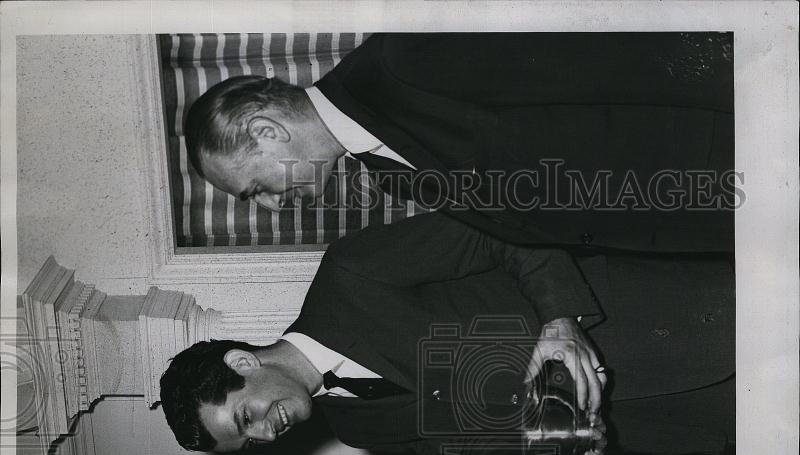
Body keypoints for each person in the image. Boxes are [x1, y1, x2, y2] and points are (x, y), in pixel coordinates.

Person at [160, 211, 734, 455]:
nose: (266, 435)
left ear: (243, 363)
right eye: (249, 443)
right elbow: (503, 442)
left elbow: (500, 228)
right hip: (674, 418)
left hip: (671, 318)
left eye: (246, 418)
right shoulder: (359, 430)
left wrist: (559, 321)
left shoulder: (348, 277)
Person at [184, 32, 736, 253]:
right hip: (707, 218)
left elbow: (612, 57)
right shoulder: (389, 174)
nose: (271, 206)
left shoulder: (402, 60)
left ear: (266, 130)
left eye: (254, 188)